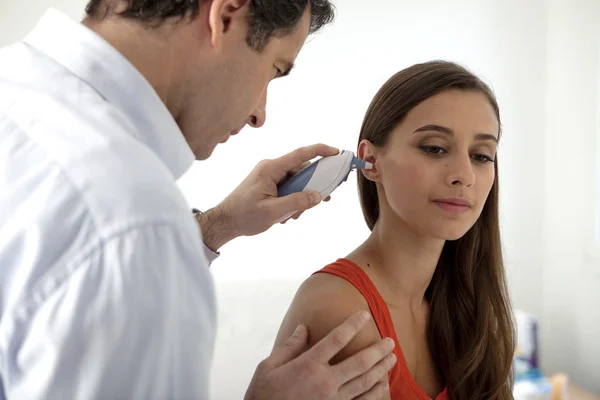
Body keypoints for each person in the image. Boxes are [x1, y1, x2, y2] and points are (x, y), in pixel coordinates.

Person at [0, 1, 398, 399]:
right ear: (225, 16)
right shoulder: (137, 224)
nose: (259, 114)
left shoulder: (14, 82)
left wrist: (217, 225)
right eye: (274, 69)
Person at [274, 60, 517, 400]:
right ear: (370, 161)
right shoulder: (341, 312)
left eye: (481, 155)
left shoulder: (466, 306)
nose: (464, 174)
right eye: (434, 148)